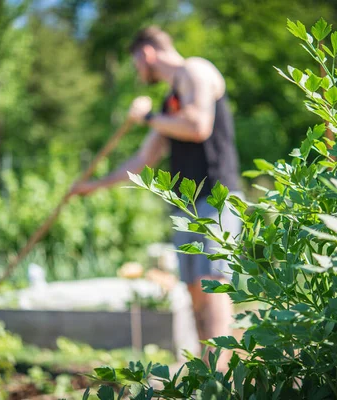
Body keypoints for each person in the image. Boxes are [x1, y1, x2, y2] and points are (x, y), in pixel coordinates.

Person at [70, 26, 242, 368]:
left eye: (136, 63)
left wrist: (147, 117)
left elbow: (198, 126)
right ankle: (209, 371)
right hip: (186, 204)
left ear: (147, 54)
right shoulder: (168, 102)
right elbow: (142, 160)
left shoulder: (196, 70)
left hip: (217, 195)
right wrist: (93, 185)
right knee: (194, 288)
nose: (138, 71)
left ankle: (222, 373)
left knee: (213, 281)